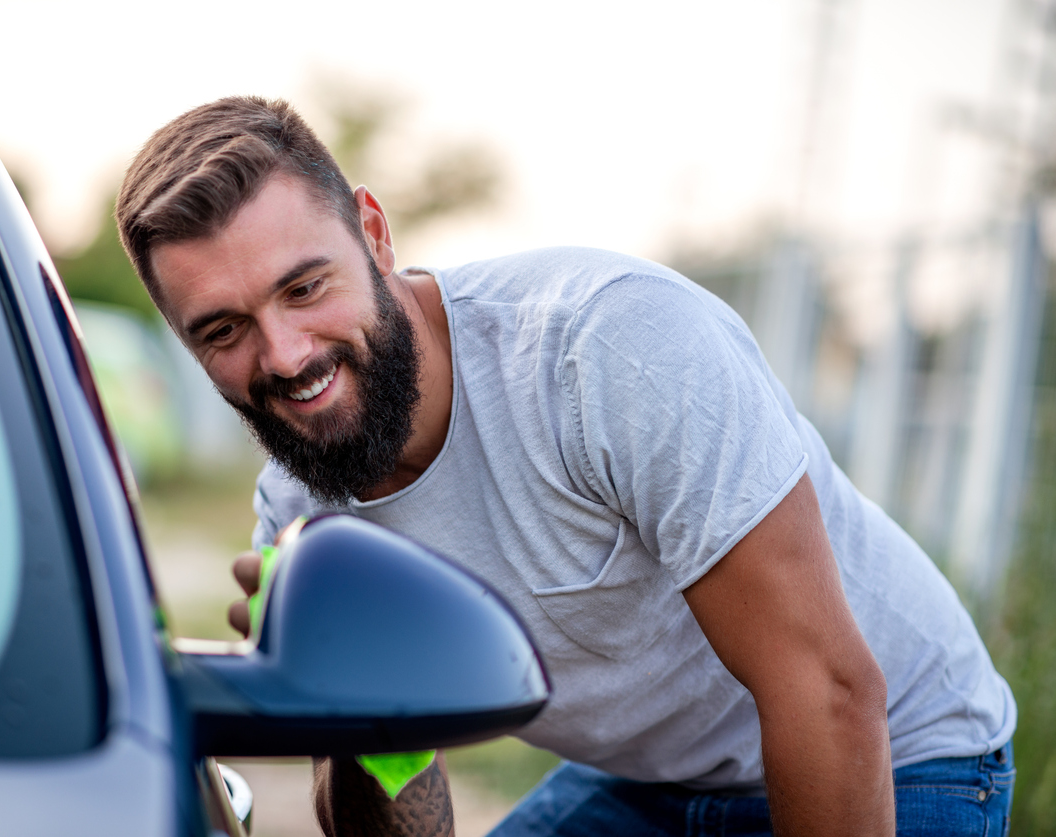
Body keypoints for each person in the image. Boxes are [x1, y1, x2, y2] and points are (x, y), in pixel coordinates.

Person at [115, 96, 1016, 837]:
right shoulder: (302, 508)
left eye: (304, 286)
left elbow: (825, 686)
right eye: (223, 330)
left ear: (374, 234)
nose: (283, 355)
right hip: (647, 782)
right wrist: (356, 706)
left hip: (899, 752)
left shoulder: (608, 348)